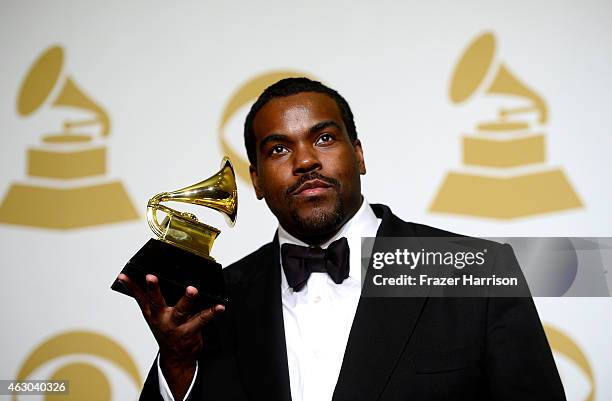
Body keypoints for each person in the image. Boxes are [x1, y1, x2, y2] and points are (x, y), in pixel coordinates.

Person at [118, 78, 566, 401]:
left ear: (359, 154)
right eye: (278, 149)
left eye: (325, 138)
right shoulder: (217, 299)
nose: (306, 160)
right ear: (255, 180)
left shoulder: (475, 270)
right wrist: (176, 365)